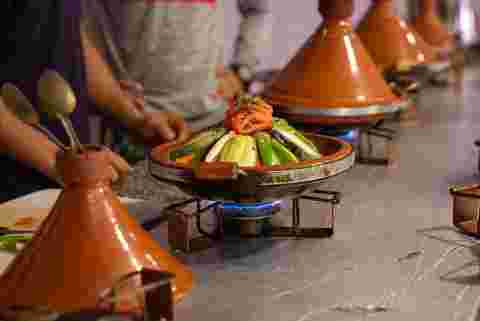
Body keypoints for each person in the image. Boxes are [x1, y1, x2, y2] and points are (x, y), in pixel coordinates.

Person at [0, 0, 189, 202]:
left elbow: (66, 31)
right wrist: (58, 160)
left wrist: (133, 116)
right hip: (11, 193)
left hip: (66, 182)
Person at [82, 0, 274, 134]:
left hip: (212, 118)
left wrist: (241, 70)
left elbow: (258, 9)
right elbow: (72, 24)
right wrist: (114, 97)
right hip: (131, 122)